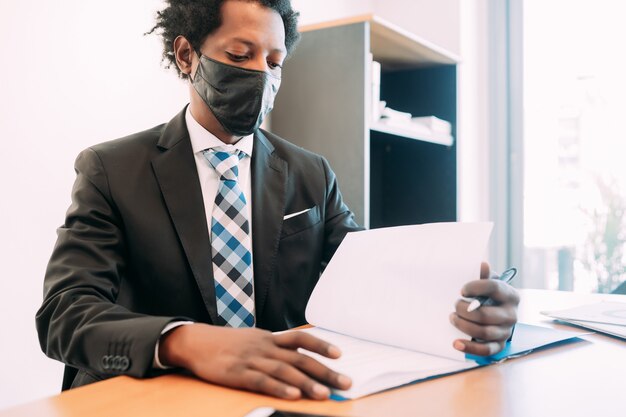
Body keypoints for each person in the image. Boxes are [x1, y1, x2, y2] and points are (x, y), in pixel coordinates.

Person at [36, 0, 519, 401]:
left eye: (274, 63)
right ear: (187, 55)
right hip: (153, 398)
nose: (260, 76)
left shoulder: (311, 173)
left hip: (280, 397)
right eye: (241, 54)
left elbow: (372, 282)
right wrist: (183, 341)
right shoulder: (112, 169)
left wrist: (463, 309)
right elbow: (64, 312)